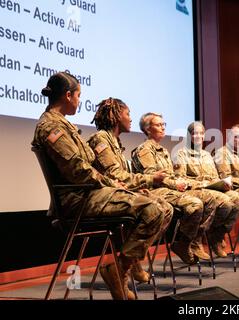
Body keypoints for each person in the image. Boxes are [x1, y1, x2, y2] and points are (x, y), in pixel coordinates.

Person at [32, 72, 166, 300]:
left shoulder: (62, 124)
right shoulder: (52, 128)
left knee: (160, 206)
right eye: (78, 95)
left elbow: (87, 168)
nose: (79, 100)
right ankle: (118, 269)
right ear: (67, 95)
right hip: (78, 199)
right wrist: (115, 184)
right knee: (153, 209)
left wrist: (118, 186)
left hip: (89, 193)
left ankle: (120, 270)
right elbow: (79, 171)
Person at [87, 98, 174, 282]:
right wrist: (151, 178)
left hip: (115, 193)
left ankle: (131, 262)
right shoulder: (101, 139)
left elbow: (121, 179)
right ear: (117, 116)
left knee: (166, 208)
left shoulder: (115, 141)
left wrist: (139, 187)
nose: (131, 119)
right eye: (127, 114)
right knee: (155, 210)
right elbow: (116, 175)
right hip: (102, 198)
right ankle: (122, 268)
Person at [131, 113, 227, 263]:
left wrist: (180, 183)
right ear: (148, 129)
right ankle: (183, 242)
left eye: (164, 125)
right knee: (195, 204)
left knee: (211, 198)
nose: (163, 128)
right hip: (156, 191)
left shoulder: (162, 150)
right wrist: (175, 183)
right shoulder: (144, 150)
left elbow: (172, 175)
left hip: (171, 189)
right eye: (158, 125)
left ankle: (190, 241)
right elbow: (153, 177)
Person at [175, 121, 239, 258]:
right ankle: (197, 238)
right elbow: (181, 179)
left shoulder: (206, 155)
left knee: (238, 199)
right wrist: (203, 184)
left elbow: (214, 177)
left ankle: (216, 235)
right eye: (195, 133)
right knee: (224, 201)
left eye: (201, 133)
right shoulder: (181, 154)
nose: (199, 136)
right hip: (194, 190)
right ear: (189, 135)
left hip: (211, 188)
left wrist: (222, 183)